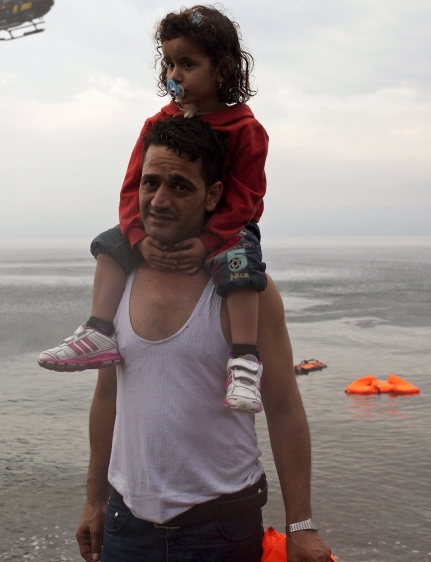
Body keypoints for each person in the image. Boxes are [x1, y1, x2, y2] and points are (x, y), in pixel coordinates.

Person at [74, 117, 332, 562]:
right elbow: (107, 397)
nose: (159, 200)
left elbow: (285, 406)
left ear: (213, 194)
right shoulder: (120, 278)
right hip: (125, 524)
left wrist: (301, 526)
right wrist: (94, 500)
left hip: (221, 529)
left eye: (180, 186)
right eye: (150, 182)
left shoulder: (245, 291)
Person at [38, 5, 270, 414]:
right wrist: (138, 238)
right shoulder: (155, 124)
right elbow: (133, 188)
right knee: (109, 245)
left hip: (226, 230)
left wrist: (207, 243)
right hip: (160, 228)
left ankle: (245, 360)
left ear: (224, 69)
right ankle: (98, 331)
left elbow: (246, 197)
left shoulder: (245, 129)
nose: (174, 75)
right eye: (169, 63)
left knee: (243, 268)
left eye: (188, 63)